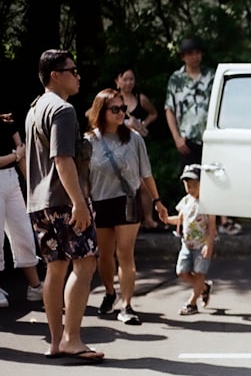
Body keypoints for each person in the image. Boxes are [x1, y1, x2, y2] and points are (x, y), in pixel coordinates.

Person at [25, 50, 104, 362]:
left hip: (39, 201)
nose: (78, 76)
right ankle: (72, 339)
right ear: (55, 75)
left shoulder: (35, 108)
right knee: (84, 264)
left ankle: (56, 341)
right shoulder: (63, 110)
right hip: (63, 201)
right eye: (72, 70)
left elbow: (27, 160)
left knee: (55, 268)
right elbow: (62, 159)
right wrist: (79, 203)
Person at [86, 88, 168, 325]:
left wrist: (157, 201)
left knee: (125, 253)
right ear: (101, 111)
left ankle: (127, 305)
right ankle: (110, 292)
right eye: (116, 109)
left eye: (124, 108)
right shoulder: (89, 141)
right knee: (104, 255)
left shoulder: (135, 139)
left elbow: (146, 174)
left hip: (127, 201)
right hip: (100, 202)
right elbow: (82, 178)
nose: (122, 113)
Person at [164, 37, 241, 235]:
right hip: (187, 137)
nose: (194, 56)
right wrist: (176, 138)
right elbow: (169, 109)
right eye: (189, 53)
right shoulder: (176, 79)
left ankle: (219, 222)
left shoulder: (211, 76)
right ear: (183, 56)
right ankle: (191, 222)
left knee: (215, 179)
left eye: (197, 52)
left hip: (210, 136)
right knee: (190, 181)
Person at [0, 84, 44, 308]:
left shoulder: (7, 123)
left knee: (23, 232)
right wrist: (14, 155)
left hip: (11, 181)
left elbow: (22, 153)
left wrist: (32, 185)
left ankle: (35, 287)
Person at [158, 164, 216, 315]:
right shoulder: (186, 201)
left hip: (201, 244)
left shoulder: (208, 202)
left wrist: (209, 244)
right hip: (187, 244)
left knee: (199, 273)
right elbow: (181, 219)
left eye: (194, 185)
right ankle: (203, 287)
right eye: (187, 185)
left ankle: (192, 303)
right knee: (181, 271)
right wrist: (167, 219)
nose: (190, 188)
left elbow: (211, 226)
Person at [114, 66, 163, 230]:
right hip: (118, 146)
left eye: (131, 79)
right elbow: (91, 113)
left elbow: (154, 113)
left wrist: (142, 124)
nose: (129, 83)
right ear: (117, 81)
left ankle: (148, 218)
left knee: (144, 182)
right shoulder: (114, 100)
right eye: (125, 79)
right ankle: (125, 220)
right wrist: (125, 123)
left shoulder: (140, 98)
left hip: (136, 146)